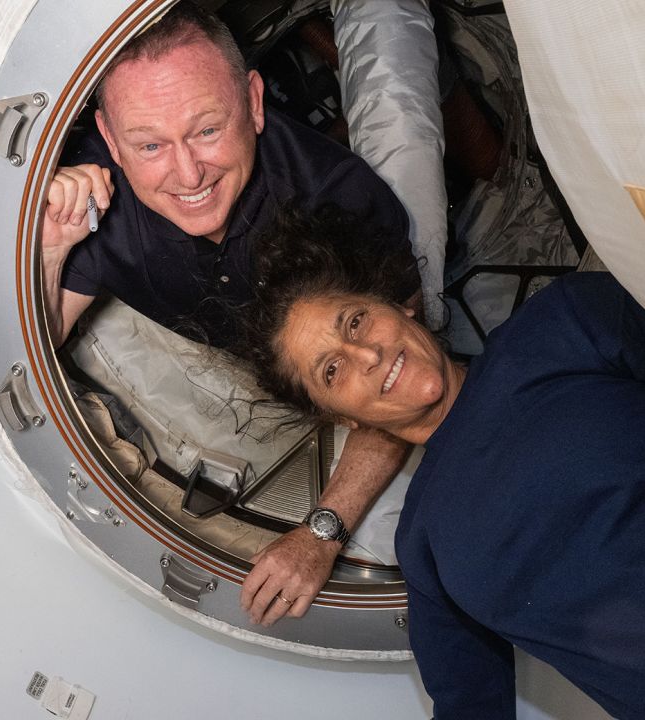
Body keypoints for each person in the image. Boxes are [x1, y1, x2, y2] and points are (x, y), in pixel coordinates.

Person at [233, 206, 645, 718]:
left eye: (356, 320)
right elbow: (468, 708)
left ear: (402, 305)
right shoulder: (423, 545)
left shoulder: (563, 325)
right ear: (342, 417)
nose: (365, 353)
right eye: (332, 370)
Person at [40, 2, 422, 621]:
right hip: (233, 352)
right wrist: (53, 247)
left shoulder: (341, 202)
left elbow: (404, 377)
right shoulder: (94, 196)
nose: (187, 172)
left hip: (337, 339)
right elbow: (39, 340)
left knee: (404, 127)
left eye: (207, 130)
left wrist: (322, 532)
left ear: (253, 101)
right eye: (149, 144)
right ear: (110, 138)